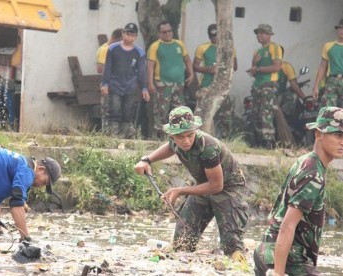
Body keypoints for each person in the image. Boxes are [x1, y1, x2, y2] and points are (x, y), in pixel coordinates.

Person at [134, 106, 248, 258]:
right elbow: (170, 146)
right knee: (182, 243)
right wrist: (147, 160)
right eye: (180, 137)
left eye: (190, 135)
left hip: (227, 188)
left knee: (232, 248)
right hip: (203, 186)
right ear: (172, 135)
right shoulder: (175, 139)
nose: (186, 141)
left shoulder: (208, 148)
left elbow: (216, 186)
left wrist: (180, 191)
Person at [254, 106, 343, 276]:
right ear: (318, 134)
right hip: (285, 259)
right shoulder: (313, 173)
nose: (342, 141)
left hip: (270, 252)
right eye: (338, 135)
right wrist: (279, 273)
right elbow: (287, 225)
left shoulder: (308, 161)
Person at [101, 23, 150, 138]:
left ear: (136, 37)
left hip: (130, 86)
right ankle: (114, 134)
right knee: (115, 109)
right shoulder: (113, 49)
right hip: (115, 85)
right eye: (127, 34)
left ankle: (124, 135)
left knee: (128, 112)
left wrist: (144, 88)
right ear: (123, 34)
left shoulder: (139, 52)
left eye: (132, 35)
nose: (129, 37)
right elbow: (107, 67)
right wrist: (105, 84)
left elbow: (142, 71)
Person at [147, 21, 194, 138]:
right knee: (161, 112)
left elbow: (187, 59)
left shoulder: (179, 44)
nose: (168, 34)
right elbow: (150, 65)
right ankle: (160, 138)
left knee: (179, 111)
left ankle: (178, 137)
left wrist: (191, 74)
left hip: (178, 84)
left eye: (169, 31)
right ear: (159, 33)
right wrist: (150, 83)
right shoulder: (155, 46)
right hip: (162, 84)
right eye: (164, 32)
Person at [246, 24, 283, 149]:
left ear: (269, 35)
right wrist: (255, 63)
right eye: (258, 33)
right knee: (255, 113)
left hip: (268, 85)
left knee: (265, 113)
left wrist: (258, 68)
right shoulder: (257, 51)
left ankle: (268, 142)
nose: (259, 35)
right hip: (257, 85)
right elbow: (253, 71)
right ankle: (258, 142)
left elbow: (277, 67)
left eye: (262, 33)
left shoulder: (274, 47)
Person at [193, 24, 237, 89]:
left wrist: (220, 69)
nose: (214, 38)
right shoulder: (202, 47)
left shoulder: (229, 48)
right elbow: (194, 67)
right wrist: (208, 70)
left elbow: (235, 67)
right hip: (205, 84)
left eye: (216, 35)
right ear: (209, 37)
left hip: (222, 86)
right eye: (212, 36)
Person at [96, 28, 123, 131]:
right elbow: (100, 68)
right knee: (108, 112)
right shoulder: (105, 49)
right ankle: (107, 134)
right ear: (114, 38)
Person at [313, 19, 343, 107]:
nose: (342, 31)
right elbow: (322, 66)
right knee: (329, 109)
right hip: (332, 80)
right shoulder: (328, 46)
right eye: (340, 28)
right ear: (337, 30)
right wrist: (316, 86)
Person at [276, 46, 306, 124]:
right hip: (271, 97)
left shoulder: (286, 67)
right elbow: (294, 86)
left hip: (279, 97)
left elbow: (294, 85)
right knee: (292, 98)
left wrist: (304, 99)